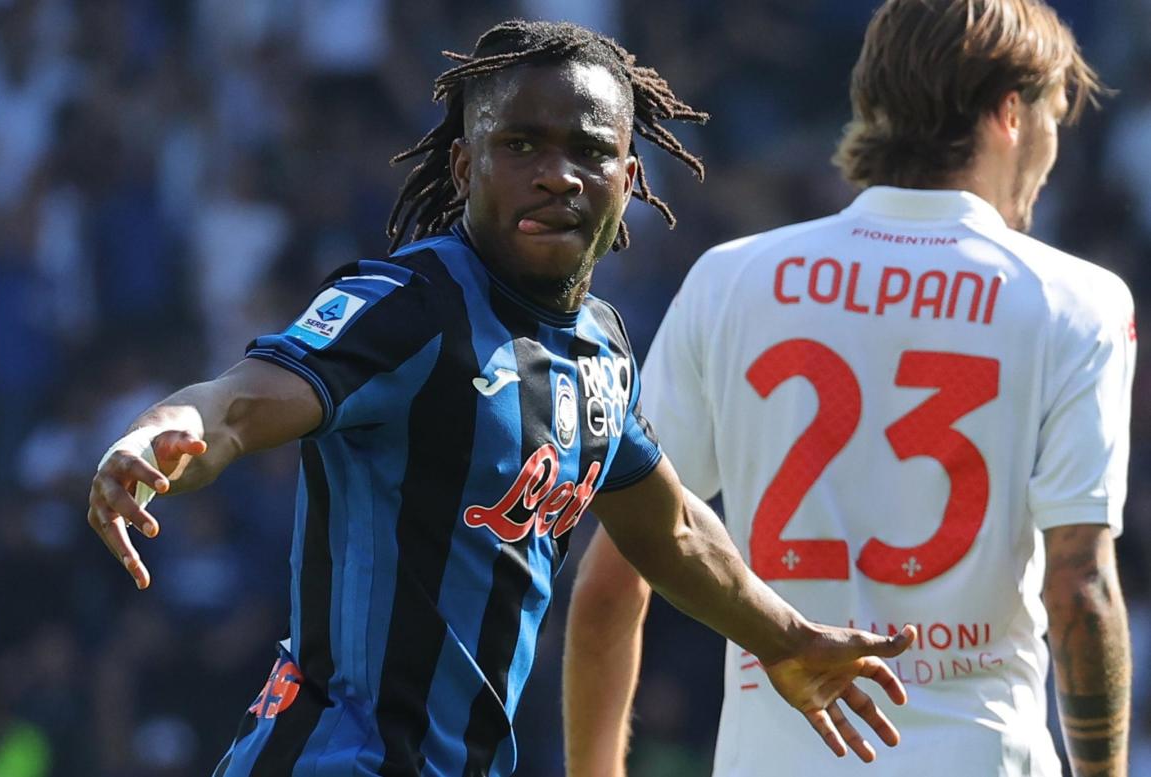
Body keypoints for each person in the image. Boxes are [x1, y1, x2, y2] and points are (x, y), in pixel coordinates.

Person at [87, 20, 916, 777]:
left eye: (587, 151)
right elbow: (236, 403)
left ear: (628, 177)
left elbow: (669, 529)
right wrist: (161, 431)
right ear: (464, 165)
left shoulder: (601, 352)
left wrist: (786, 638)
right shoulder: (410, 306)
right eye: (521, 144)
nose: (556, 175)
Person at [562, 1, 1135, 776]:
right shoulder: (1075, 300)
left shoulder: (731, 281)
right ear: (1010, 114)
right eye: (1053, 116)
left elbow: (612, 578)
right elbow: (1081, 589)